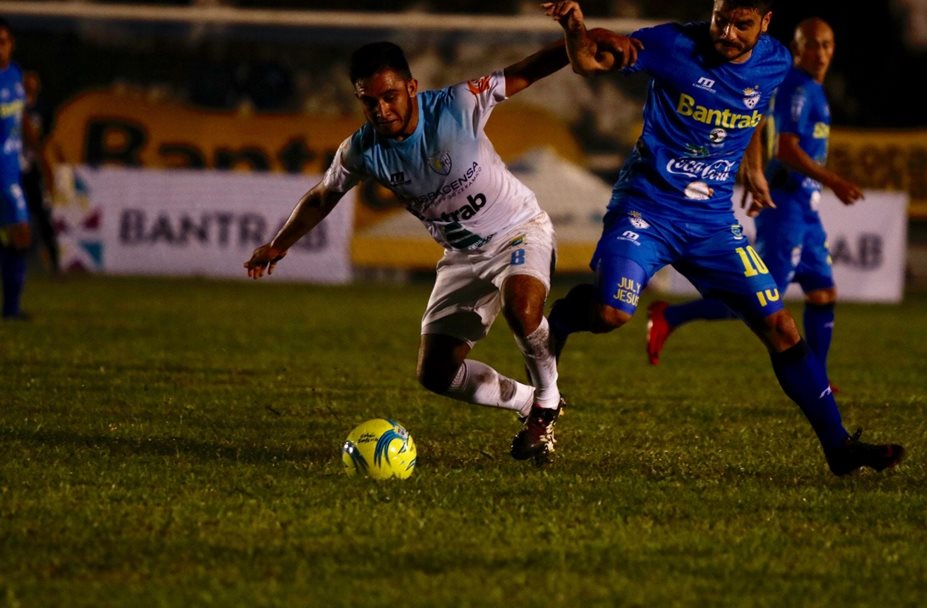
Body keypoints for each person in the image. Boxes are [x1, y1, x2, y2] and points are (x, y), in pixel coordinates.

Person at [542, 0, 904, 476]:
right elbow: (588, 58)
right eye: (719, 21)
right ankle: (564, 316)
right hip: (648, 206)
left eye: (741, 25)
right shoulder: (671, 44)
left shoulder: (775, 63)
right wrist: (577, 29)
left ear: (766, 24)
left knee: (780, 325)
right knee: (612, 314)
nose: (727, 35)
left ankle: (839, 448)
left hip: (712, 220)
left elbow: (752, 111)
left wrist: (753, 169)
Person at [244, 35, 635, 463]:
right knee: (436, 374)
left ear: (411, 87)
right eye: (368, 101)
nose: (381, 109)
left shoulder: (457, 104)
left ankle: (545, 400)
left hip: (518, 230)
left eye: (389, 96)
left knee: (522, 309)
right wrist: (278, 244)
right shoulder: (362, 149)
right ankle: (526, 401)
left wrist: (574, 40)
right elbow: (323, 196)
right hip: (462, 257)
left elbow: (524, 70)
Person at [644, 19, 862, 411]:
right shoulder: (796, 87)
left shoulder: (811, 88)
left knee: (823, 292)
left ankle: (819, 378)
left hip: (806, 209)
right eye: (813, 45)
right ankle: (670, 315)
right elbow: (788, 149)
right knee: (764, 299)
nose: (822, 53)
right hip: (787, 206)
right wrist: (833, 179)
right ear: (797, 48)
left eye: (828, 45)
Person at [0, 18, 32, 320]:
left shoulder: (15, 76)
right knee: (19, 233)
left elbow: (20, 119)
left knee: (21, 234)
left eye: (4, 41)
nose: (1, 47)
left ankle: (11, 309)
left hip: (10, 171)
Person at [20, 70, 61, 275]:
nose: (30, 85)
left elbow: (46, 141)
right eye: (27, 82)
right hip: (13, 165)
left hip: (33, 168)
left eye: (34, 82)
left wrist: (47, 166)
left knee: (43, 217)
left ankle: (55, 264)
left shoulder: (43, 109)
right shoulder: (12, 105)